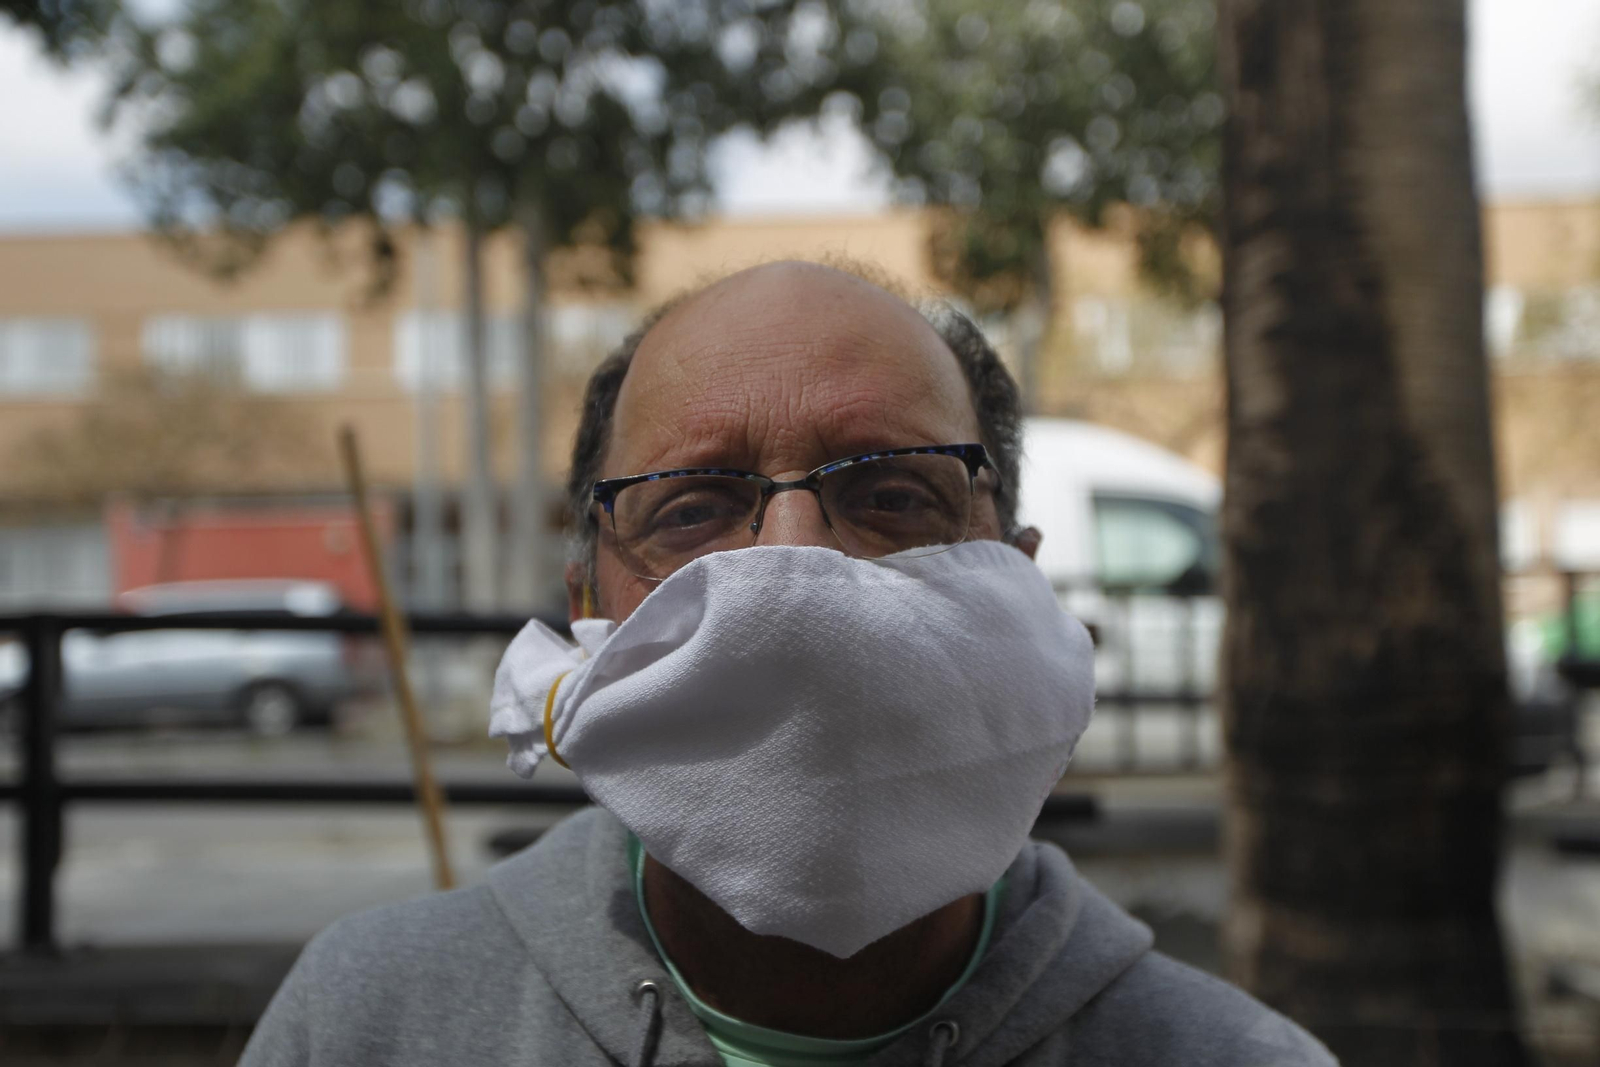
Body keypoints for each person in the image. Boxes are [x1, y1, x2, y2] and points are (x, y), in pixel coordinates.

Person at [240, 260, 1336, 1067]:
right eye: (691, 508)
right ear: (587, 609)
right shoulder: (362, 1024)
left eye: (893, 493)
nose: (795, 567)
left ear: (1020, 576)